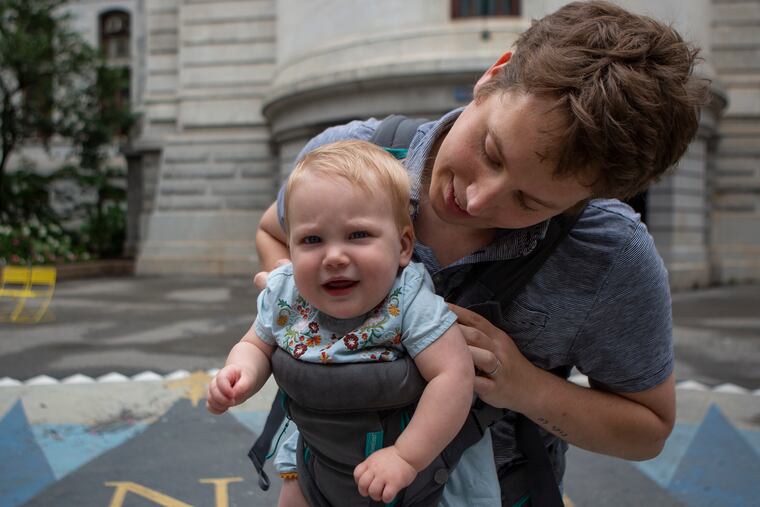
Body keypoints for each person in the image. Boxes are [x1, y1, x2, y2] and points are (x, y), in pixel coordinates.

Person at [255, 1, 710, 505]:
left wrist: (524, 386)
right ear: (495, 74)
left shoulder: (611, 255)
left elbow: (648, 430)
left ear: (589, 197)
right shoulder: (351, 157)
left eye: (529, 201)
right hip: (324, 481)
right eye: (491, 150)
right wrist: (293, 288)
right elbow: (272, 230)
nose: (475, 201)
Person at [207, 140, 476, 505]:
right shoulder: (288, 293)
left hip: (395, 471)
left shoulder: (408, 301)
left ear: (402, 246)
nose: (334, 256)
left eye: (357, 235)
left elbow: (454, 377)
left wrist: (407, 457)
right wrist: (239, 374)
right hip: (312, 457)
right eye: (312, 240)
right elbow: (256, 343)